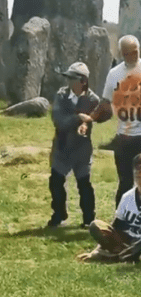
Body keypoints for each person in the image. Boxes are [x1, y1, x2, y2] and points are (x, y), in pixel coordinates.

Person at [88, 35, 141, 207]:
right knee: (125, 182)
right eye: (127, 54)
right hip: (124, 135)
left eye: (134, 52)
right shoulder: (115, 74)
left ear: (139, 50)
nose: (132, 57)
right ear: (121, 54)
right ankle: (121, 221)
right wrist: (90, 118)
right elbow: (105, 102)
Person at [77, 152, 141, 265]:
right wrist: (94, 251)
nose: (138, 171)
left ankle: (120, 256)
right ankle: (130, 256)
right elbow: (115, 228)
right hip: (128, 242)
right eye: (136, 168)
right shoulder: (127, 197)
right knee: (96, 225)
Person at [47, 62, 106, 228]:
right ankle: (59, 214)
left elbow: (101, 116)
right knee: (56, 182)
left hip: (81, 150)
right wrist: (79, 118)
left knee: (84, 185)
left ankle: (88, 219)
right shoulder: (62, 95)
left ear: (83, 81)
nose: (69, 81)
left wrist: (94, 117)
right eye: (68, 78)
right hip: (62, 148)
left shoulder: (93, 100)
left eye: (73, 78)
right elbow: (59, 121)